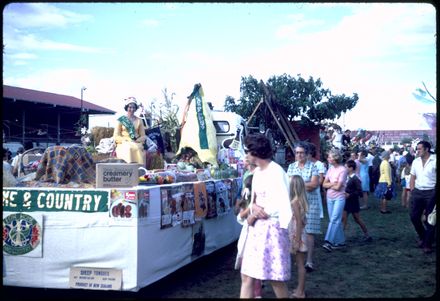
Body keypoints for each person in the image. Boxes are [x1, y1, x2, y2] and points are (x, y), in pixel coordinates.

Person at [239, 133, 292, 298]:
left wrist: (258, 213)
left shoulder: (276, 171)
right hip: (257, 229)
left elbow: (282, 201)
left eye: (248, 151)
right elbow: (254, 199)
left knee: (275, 278)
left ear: (256, 152)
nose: (246, 155)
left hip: (273, 229)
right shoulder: (257, 173)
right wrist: (253, 207)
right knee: (247, 274)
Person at [287, 142, 320, 272]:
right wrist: (305, 184)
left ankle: (309, 261)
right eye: (297, 152)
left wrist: (298, 184)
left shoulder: (313, 167)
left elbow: (315, 184)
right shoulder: (291, 167)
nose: (299, 155)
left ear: (307, 154)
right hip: (295, 203)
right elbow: (289, 185)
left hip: (310, 203)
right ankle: (298, 257)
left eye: (301, 152)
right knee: (295, 229)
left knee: (310, 231)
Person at [235, 157, 262, 298]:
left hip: (251, 235)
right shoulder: (252, 203)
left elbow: (240, 217)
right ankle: (256, 292)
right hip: (251, 232)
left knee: (249, 267)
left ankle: (256, 293)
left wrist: (247, 209)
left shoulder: (252, 204)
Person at [409, 141, 436, 254]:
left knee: (430, 219)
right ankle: (424, 237)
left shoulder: (435, 160)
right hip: (418, 192)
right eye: (417, 149)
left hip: (432, 192)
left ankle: (427, 244)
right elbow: (412, 177)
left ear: (426, 149)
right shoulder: (416, 161)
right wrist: (412, 190)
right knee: (414, 217)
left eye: (419, 149)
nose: (417, 151)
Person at [322, 148, 348, 252]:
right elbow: (324, 184)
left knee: (334, 219)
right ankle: (341, 242)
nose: (328, 158)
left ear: (335, 158)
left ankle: (329, 241)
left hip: (339, 197)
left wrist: (330, 184)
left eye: (330, 157)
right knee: (334, 220)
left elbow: (338, 188)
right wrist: (334, 184)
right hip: (330, 197)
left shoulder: (343, 170)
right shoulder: (330, 169)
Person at [288, 175, 309, 299]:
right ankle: (299, 289)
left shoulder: (295, 202)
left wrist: (296, 240)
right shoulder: (300, 200)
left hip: (297, 235)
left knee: (300, 264)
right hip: (299, 234)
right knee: (299, 263)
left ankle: (300, 292)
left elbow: (299, 221)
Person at [342, 160, 372, 242]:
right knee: (343, 219)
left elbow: (359, 192)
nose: (344, 169)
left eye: (346, 167)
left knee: (357, 219)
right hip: (346, 202)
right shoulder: (346, 177)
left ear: (351, 168)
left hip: (353, 202)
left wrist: (350, 195)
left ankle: (367, 234)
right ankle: (340, 237)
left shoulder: (355, 179)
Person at [113, 97, 147, 167]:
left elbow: (143, 136)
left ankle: (139, 170)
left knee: (137, 148)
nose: (132, 109)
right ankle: (127, 170)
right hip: (124, 142)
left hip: (136, 142)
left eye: (134, 107)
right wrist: (125, 140)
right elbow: (116, 135)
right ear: (126, 107)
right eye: (130, 107)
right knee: (128, 148)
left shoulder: (139, 120)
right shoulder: (121, 120)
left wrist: (137, 140)